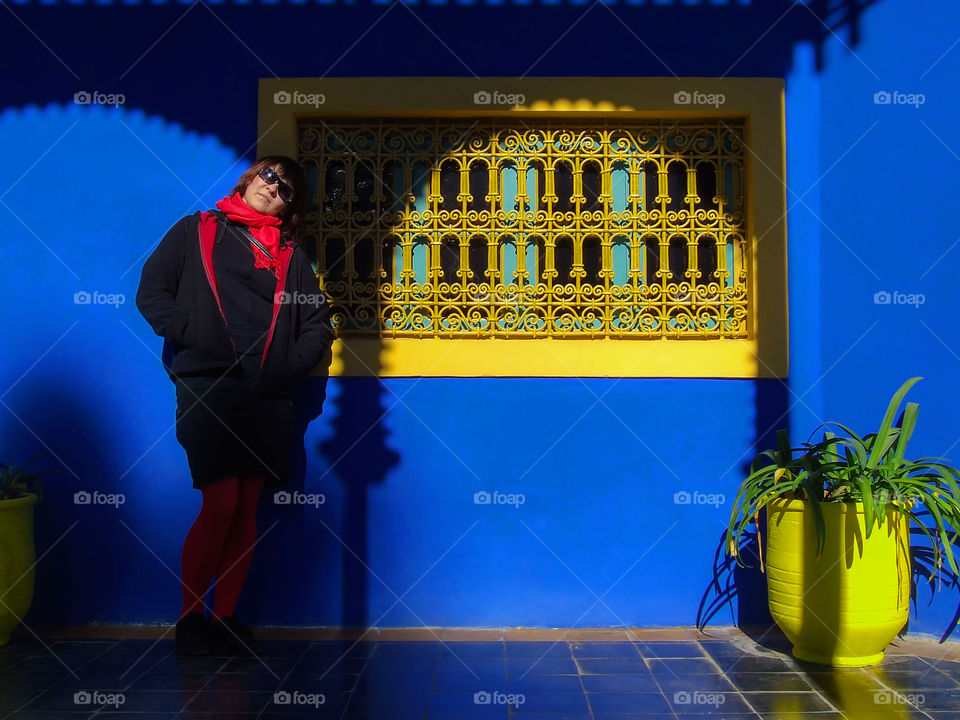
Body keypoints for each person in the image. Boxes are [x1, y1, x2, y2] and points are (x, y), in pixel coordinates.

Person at [136, 156, 334, 656]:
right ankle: (189, 618)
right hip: (209, 387)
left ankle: (225, 617)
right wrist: (193, 334)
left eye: (287, 189)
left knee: (247, 507)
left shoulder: (290, 256)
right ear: (249, 180)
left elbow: (317, 322)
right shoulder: (195, 231)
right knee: (220, 501)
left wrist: (291, 364)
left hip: (267, 392)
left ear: (291, 209)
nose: (275, 189)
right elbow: (152, 292)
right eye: (270, 176)